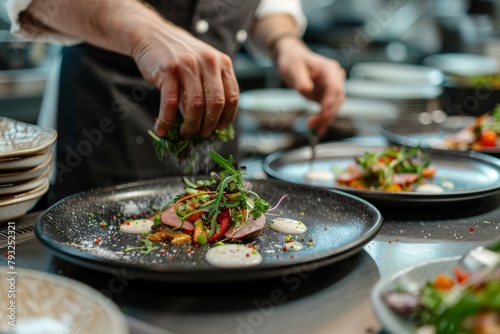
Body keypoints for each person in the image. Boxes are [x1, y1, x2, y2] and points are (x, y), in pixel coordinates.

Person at [5, 0, 345, 204]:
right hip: (103, 130)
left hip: (217, 137)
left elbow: (269, 6)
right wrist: (145, 33)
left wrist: (284, 42)